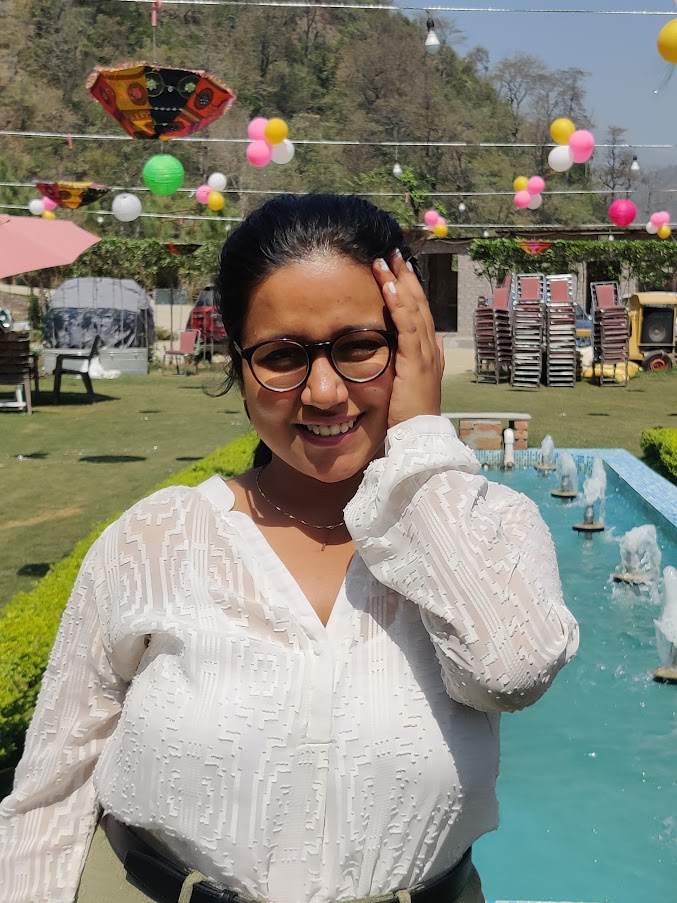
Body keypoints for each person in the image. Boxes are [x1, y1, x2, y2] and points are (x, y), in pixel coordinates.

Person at [0, 194, 579, 903]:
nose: (324, 392)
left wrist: (422, 442)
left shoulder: (490, 527)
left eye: (359, 346)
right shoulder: (154, 541)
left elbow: (509, 672)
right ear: (239, 367)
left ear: (414, 348)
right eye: (281, 356)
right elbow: (51, 791)